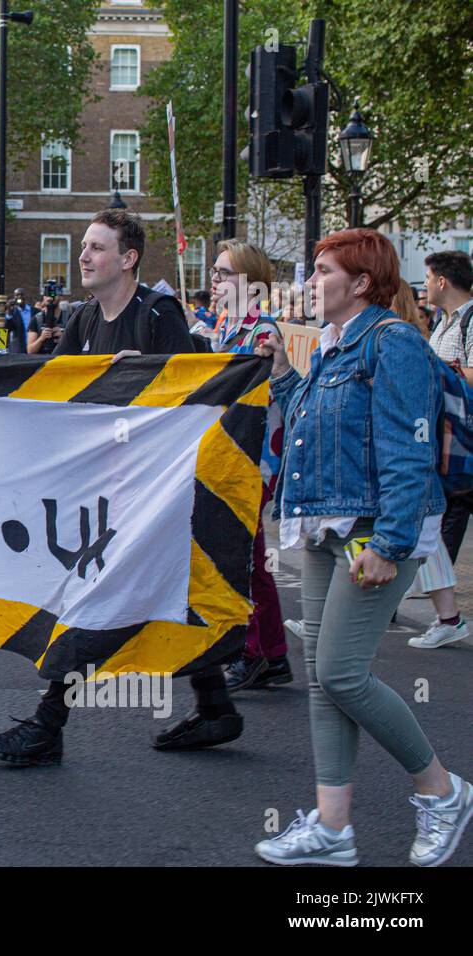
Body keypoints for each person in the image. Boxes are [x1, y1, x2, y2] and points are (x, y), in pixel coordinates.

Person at [0, 209, 235, 764]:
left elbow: (194, 394)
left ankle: (47, 724)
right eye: (84, 246)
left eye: (96, 247)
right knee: (152, 594)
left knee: (99, 599)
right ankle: (215, 705)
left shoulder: (159, 314)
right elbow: (56, 387)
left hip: (156, 491)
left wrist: (153, 375)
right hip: (105, 487)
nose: (83, 256)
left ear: (128, 258)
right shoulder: (85, 318)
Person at [253, 228, 471, 867]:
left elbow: (409, 447)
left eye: (323, 271)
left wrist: (392, 540)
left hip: (375, 529)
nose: (311, 282)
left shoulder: (393, 342)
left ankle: (442, 790)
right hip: (326, 523)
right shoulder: (331, 344)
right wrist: (286, 378)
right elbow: (320, 431)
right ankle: (332, 827)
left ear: (361, 283)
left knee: (342, 673)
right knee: (325, 679)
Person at [200, 241, 292, 693]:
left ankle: (256, 652)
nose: (214, 281)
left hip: (253, 461)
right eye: (214, 273)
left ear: (251, 283)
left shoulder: (261, 331)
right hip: (230, 455)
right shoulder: (225, 325)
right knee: (249, 558)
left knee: (244, 557)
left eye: (223, 273)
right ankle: (272, 654)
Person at [405, 250, 473, 650]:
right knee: (431, 522)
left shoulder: (470, 322)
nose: (425, 285)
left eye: (428, 278)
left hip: (465, 443)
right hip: (449, 445)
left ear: (443, 281)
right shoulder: (444, 323)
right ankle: (445, 616)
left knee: (426, 519)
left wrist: (438, 368)